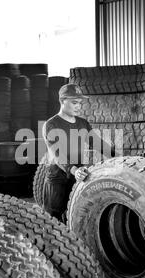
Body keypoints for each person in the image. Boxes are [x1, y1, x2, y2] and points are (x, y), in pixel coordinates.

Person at [42, 84, 113, 223]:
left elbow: (98, 143)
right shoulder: (51, 125)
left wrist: (118, 157)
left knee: (74, 217)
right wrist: (74, 170)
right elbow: (57, 155)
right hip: (57, 179)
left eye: (80, 103)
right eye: (74, 102)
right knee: (53, 221)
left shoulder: (82, 123)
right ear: (62, 101)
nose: (78, 106)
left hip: (78, 177)